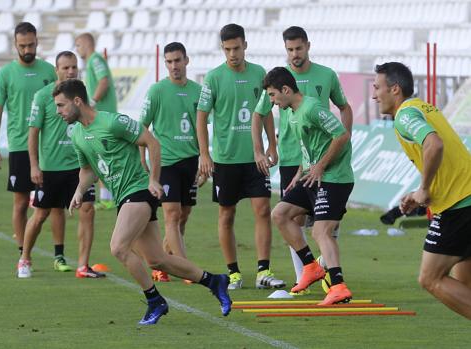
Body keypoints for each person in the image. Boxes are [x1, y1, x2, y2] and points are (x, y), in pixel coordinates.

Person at [53, 79, 231, 325]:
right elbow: (89, 170)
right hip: (124, 197)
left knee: (118, 247)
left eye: (61, 106)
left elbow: (152, 142)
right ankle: (214, 281)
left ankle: (154, 300)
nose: (58, 112)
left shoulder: (112, 121)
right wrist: (79, 191)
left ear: (77, 101)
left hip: (138, 191)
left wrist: (154, 180)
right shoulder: (77, 135)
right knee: (157, 260)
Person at [373, 62, 471, 319]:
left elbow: (434, 145)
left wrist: (424, 189)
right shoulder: (423, 108)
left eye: (377, 88)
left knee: (430, 278)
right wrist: (419, 195)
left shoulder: (405, 114)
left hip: (459, 205)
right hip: (464, 197)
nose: (373, 95)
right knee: (465, 290)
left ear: (395, 89)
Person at [196, 23, 285, 290]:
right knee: (226, 214)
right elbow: (201, 118)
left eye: (236, 48)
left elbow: (266, 111)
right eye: (227, 49)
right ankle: (233, 273)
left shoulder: (260, 74)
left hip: (254, 158)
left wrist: (271, 145)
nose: (232, 54)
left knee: (262, 210)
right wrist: (204, 154)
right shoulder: (213, 78)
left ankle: (263, 271)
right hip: (225, 158)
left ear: (245, 45)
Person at [271, 26, 354, 294]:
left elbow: (341, 136)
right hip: (311, 175)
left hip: (333, 177)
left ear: (285, 90)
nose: (272, 101)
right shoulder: (294, 112)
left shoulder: (312, 108)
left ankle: (338, 286)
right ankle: (311, 267)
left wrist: (320, 166)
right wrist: (301, 171)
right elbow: (309, 148)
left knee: (321, 231)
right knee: (281, 214)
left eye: (273, 95)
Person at [17, 51, 104, 279]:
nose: (71, 71)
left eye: (74, 67)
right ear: (56, 70)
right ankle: (25, 258)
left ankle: (83, 265)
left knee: (87, 209)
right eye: (66, 67)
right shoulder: (43, 96)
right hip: (51, 168)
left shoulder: (81, 95)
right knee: (41, 214)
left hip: (79, 167)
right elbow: (33, 132)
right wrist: (34, 165)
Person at [0, 22, 57, 258]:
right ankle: (22, 252)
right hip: (19, 145)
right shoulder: (6, 73)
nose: (27, 49)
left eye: (30, 44)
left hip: (47, 146)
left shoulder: (50, 71)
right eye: (22, 45)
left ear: (37, 41)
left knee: (52, 205)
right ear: (15, 45)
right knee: (20, 203)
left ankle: (58, 254)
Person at [139, 42, 201, 283]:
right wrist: (143, 159)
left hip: (191, 161)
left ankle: (162, 262)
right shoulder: (157, 91)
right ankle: (187, 270)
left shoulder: (198, 91)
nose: (174, 66)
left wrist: (205, 159)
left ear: (187, 60)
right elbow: (141, 128)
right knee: (172, 215)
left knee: (183, 215)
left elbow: (202, 130)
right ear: (165, 63)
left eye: (178, 60)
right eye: (169, 61)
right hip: (165, 162)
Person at [75, 32, 118, 210]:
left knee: (104, 157)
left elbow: (104, 81)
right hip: (102, 117)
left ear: (85, 44)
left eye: (78, 46)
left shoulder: (95, 60)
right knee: (103, 157)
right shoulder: (93, 61)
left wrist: (91, 103)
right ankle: (107, 198)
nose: (77, 50)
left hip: (103, 116)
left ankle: (109, 198)